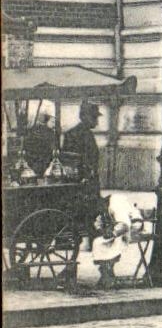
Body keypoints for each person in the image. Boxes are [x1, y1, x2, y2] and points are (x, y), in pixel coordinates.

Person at [61, 100, 103, 243]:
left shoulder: (76, 133)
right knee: (89, 212)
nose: (96, 121)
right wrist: (85, 174)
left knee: (88, 212)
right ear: (84, 116)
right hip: (83, 182)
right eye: (94, 117)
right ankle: (93, 242)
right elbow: (69, 159)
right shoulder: (77, 134)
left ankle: (87, 240)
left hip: (85, 181)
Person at [21, 107, 56, 178]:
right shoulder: (47, 132)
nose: (54, 124)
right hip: (40, 160)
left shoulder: (48, 131)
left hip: (39, 160)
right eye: (53, 122)